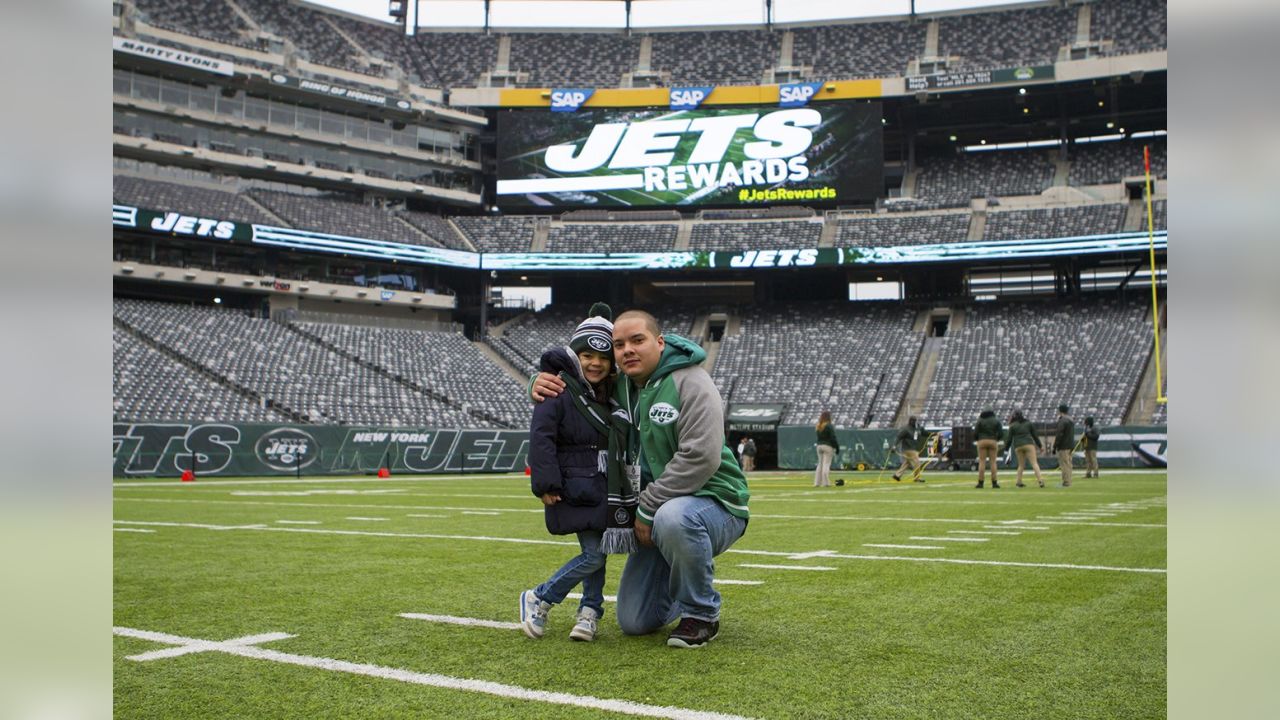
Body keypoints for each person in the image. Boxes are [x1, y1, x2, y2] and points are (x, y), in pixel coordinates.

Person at [531, 309, 749, 649]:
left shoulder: (691, 380)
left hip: (714, 504)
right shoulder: (621, 386)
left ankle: (701, 613)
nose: (628, 350)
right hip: (655, 515)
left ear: (659, 342)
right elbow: (578, 385)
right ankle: (680, 587)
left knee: (675, 517)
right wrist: (542, 382)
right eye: (619, 345)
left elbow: (701, 457)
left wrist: (646, 509)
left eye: (637, 340)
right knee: (634, 620)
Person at [519, 305, 617, 643]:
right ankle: (541, 597)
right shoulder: (557, 389)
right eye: (587, 354)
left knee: (599, 550)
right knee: (594, 554)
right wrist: (545, 483)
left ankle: (589, 612)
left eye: (603, 357)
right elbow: (541, 436)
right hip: (573, 485)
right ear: (574, 355)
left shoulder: (610, 392)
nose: (595, 363)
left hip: (604, 484)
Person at [1003, 409, 1044, 488]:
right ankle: (1040, 481)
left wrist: (1006, 449)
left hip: (1018, 446)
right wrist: (1040, 446)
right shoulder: (1028, 423)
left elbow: (1009, 439)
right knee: (1034, 463)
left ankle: (1019, 482)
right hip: (1028, 444)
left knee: (1021, 465)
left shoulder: (1012, 426)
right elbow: (1034, 436)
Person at [973, 408, 1003, 489]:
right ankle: (994, 483)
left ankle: (980, 483)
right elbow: (1001, 432)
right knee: (993, 462)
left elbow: (975, 432)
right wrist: (996, 439)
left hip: (982, 441)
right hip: (993, 441)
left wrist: (978, 439)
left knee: (982, 462)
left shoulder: (980, 420)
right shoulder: (996, 420)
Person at [891, 416, 927, 482]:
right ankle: (917, 478)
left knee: (907, 463)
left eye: (916, 421)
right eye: (914, 421)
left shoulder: (918, 428)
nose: (916, 422)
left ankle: (897, 475)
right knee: (917, 463)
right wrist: (894, 446)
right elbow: (898, 437)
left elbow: (925, 433)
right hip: (908, 449)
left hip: (914, 448)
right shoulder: (906, 429)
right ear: (911, 421)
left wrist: (934, 434)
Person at [814, 411, 839, 487]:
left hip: (819, 446)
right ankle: (826, 483)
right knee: (826, 464)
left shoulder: (818, 426)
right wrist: (837, 447)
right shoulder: (829, 426)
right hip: (827, 446)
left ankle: (817, 483)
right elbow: (833, 437)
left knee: (820, 464)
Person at [1053, 403, 1075, 488]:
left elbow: (1059, 434)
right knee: (1068, 464)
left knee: (1064, 464)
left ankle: (1066, 482)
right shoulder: (1070, 420)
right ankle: (1068, 480)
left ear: (1060, 411)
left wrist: (1055, 446)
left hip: (1063, 446)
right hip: (1070, 445)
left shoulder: (1062, 421)